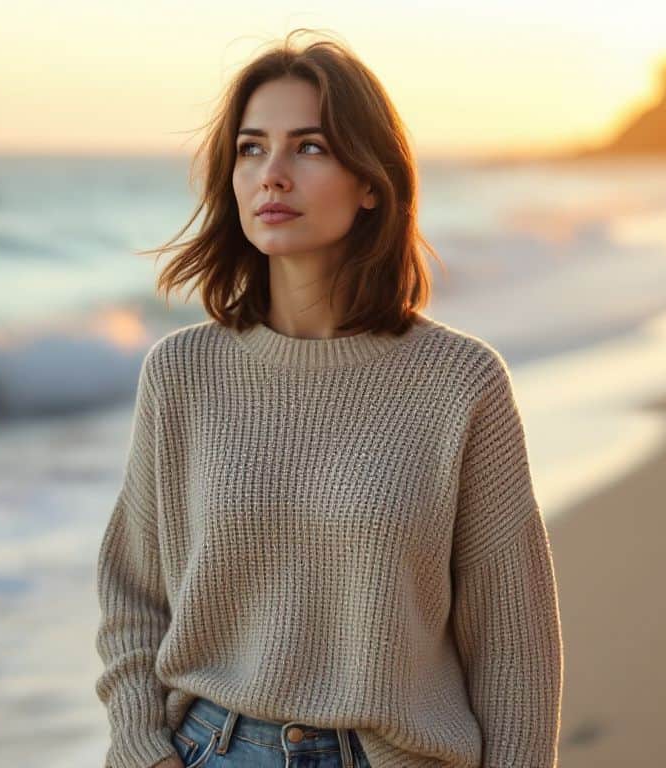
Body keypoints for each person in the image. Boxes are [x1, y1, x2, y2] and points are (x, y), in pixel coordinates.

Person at [94, 29, 563, 768]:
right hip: (207, 750)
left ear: (371, 181)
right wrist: (141, 746)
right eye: (252, 148)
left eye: (308, 147)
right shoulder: (182, 374)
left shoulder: (460, 384)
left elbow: (515, 646)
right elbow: (132, 597)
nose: (272, 174)